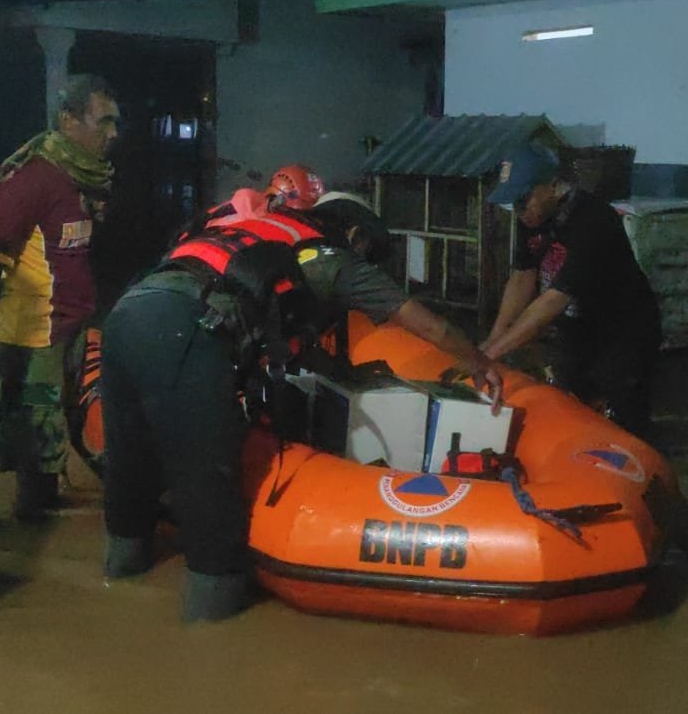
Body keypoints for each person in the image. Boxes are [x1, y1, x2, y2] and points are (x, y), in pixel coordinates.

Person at [98, 191, 503, 622]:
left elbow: (282, 337)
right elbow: (428, 324)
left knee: (129, 472)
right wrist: (480, 361)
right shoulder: (330, 258)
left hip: (125, 316)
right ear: (355, 236)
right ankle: (209, 633)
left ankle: (118, 582)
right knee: (210, 502)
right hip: (185, 333)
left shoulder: (248, 229)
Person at [0, 74, 119, 518]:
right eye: (103, 122)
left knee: (74, 418)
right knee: (35, 436)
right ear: (69, 121)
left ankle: (53, 502)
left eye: (115, 124)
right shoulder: (33, 180)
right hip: (34, 333)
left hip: (75, 322)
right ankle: (34, 528)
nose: (113, 135)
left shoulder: (84, 179)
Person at [480, 143, 662, 437]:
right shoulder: (533, 218)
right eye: (514, 203)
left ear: (552, 186)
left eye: (523, 200)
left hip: (623, 331)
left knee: (622, 420)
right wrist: (493, 338)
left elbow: (553, 300)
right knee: (575, 407)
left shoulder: (593, 220)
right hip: (579, 330)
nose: (519, 211)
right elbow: (522, 276)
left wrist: (494, 353)